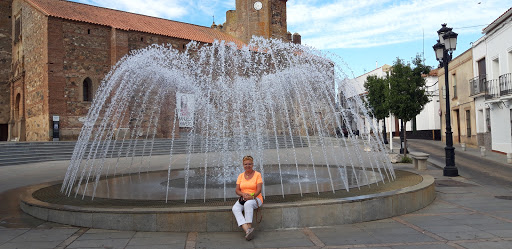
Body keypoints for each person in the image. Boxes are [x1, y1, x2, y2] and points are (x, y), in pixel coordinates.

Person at [232, 155, 263, 241]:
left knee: (248, 204)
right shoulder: (241, 176)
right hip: (244, 198)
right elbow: (237, 190)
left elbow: (259, 190)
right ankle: (247, 230)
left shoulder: (257, 175)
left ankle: (249, 227)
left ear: (252, 165)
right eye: (245, 164)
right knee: (235, 208)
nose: (247, 166)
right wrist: (243, 194)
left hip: (256, 199)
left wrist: (252, 197)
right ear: (243, 165)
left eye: (249, 164)